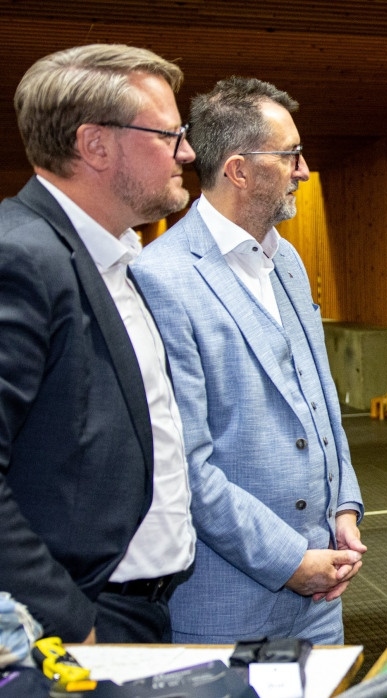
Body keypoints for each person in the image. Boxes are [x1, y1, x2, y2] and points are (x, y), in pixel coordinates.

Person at [131, 77, 365, 645]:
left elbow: (320, 398)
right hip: (226, 604)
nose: (304, 170)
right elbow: (187, 466)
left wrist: (344, 507)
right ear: (238, 170)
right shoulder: (162, 278)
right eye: (290, 156)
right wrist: (290, 560)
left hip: (320, 596)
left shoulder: (287, 263)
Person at [0, 44, 197, 643]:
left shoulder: (112, 259)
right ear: (96, 145)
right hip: (81, 618)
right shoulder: (23, 258)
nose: (187, 151)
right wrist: (68, 618)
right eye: (170, 134)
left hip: (139, 607)